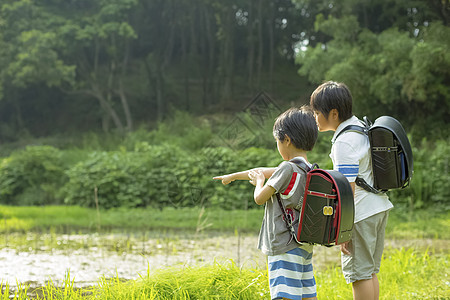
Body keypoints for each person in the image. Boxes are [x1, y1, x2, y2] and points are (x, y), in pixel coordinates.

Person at [214, 106, 318, 300]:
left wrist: (259, 183)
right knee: (306, 296)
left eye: (277, 141)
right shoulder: (308, 169)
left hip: (283, 245)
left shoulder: (287, 168)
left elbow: (259, 197)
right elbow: (261, 170)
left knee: (285, 296)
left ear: (286, 139)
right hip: (303, 244)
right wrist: (234, 176)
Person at [309, 81, 393, 300]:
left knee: (359, 274)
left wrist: (343, 229)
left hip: (360, 213)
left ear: (333, 113)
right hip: (377, 207)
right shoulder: (361, 128)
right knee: (369, 272)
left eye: (317, 112)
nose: (314, 117)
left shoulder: (344, 142)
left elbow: (347, 189)